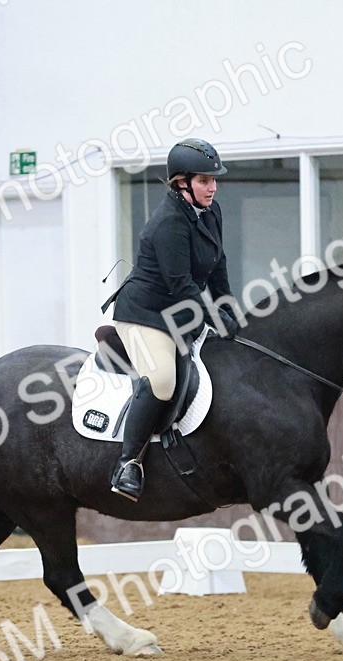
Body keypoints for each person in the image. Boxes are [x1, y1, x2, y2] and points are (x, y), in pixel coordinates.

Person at [108, 138, 241, 501]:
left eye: (215, 180)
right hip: (145, 316)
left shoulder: (210, 211)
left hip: (180, 312)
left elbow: (218, 264)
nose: (213, 187)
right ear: (182, 182)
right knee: (162, 380)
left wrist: (229, 307)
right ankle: (127, 464)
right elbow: (181, 284)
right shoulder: (167, 223)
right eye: (204, 181)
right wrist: (214, 315)